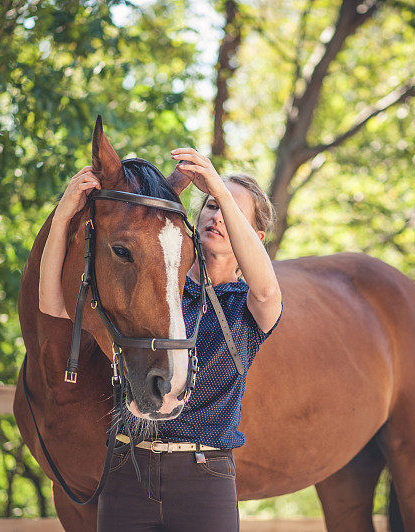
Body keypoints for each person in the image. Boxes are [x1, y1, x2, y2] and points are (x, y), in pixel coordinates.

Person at [38, 148, 283, 531]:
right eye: (209, 206)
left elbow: (267, 292)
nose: (216, 215)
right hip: (126, 469)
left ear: (255, 235)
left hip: (204, 477)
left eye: (228, 209)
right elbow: (53, 305)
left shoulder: (249, 308)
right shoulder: (159, 292)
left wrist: (216, 183)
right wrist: (63, 215)